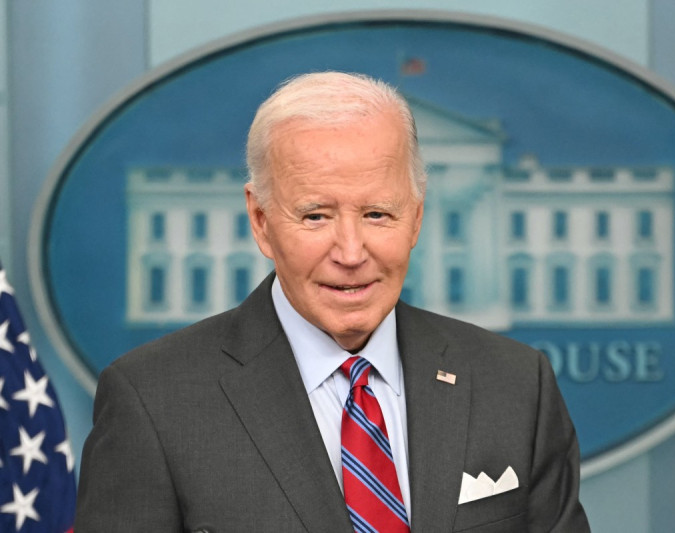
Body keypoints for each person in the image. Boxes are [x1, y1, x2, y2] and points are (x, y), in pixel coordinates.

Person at [75, 72, 590, 532]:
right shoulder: (153, 401)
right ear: (261, 221)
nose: (350, 253)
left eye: (377, 215)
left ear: (415, 217)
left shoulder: (517, 384)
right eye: (316, 216)